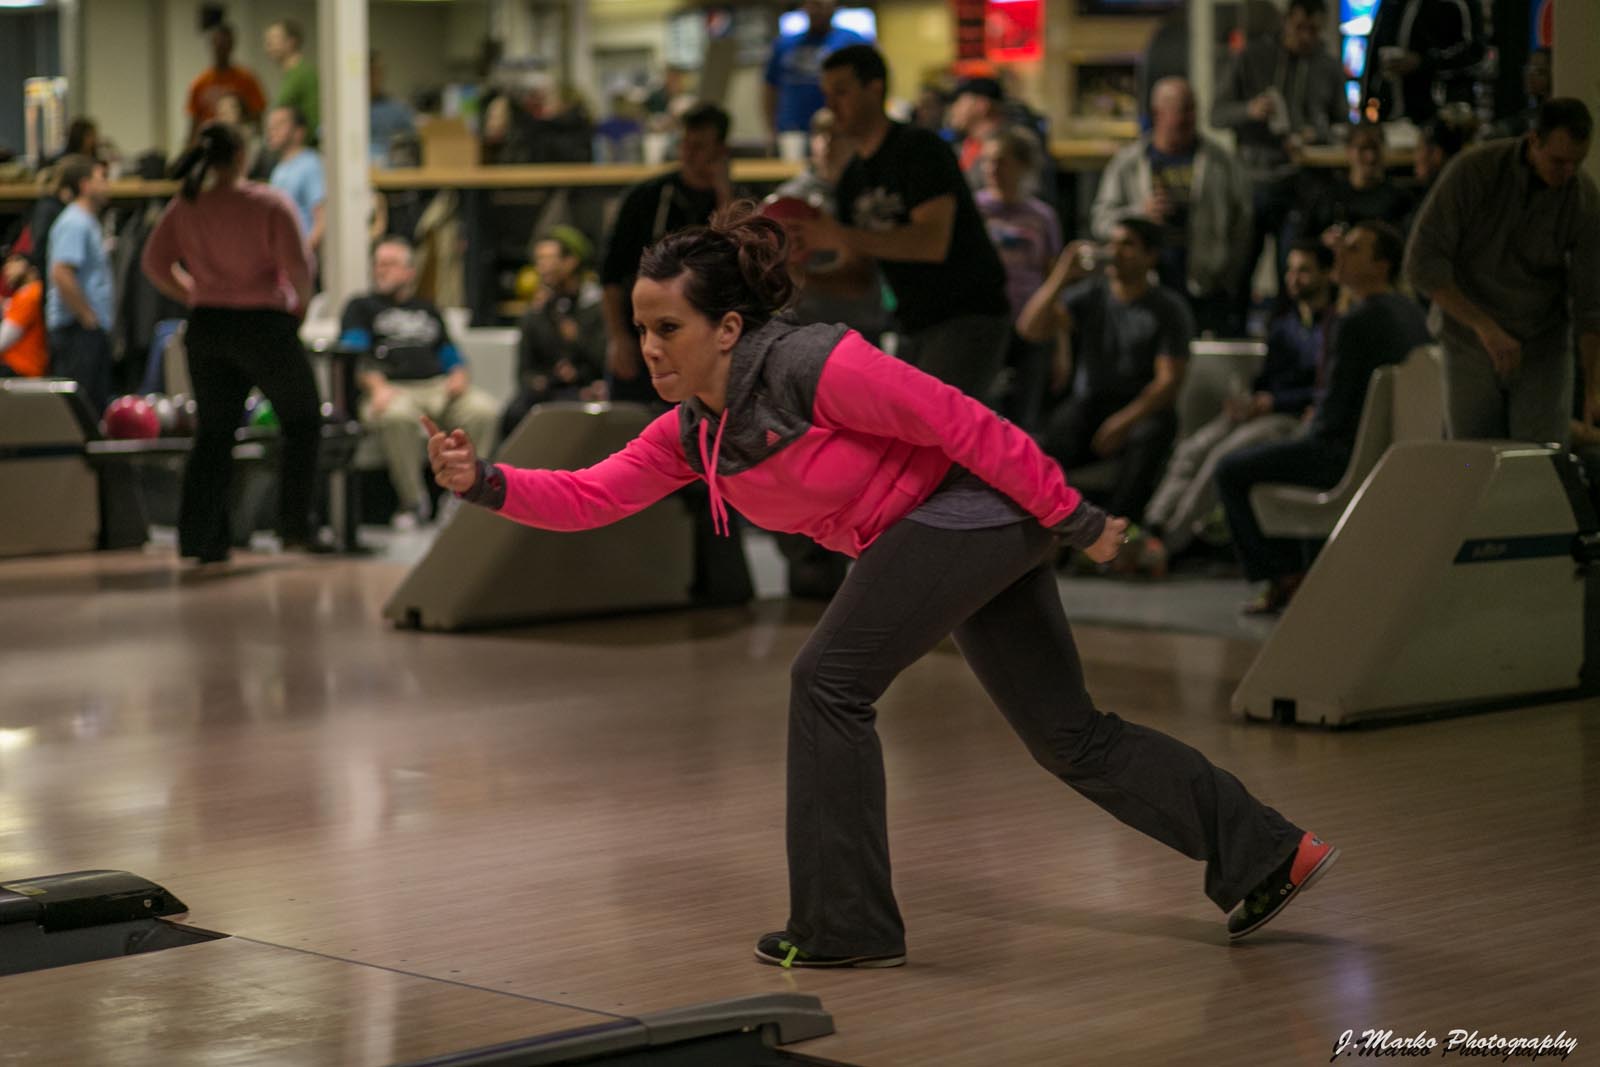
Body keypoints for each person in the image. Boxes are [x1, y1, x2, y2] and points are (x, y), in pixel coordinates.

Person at [423, 204, 1340, 964]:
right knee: (1069, 736)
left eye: (670, 328)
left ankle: (848, 924)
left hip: (972, 510)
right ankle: (1269, 852)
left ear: (728, 328)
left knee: (827, 682)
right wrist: (482, 482)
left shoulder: (812, 363)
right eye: (641, 328)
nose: (649, 347)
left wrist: (1079, 518)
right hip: (953, 531)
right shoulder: (696, 429)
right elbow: (590, 495)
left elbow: (964, 421)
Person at [1217, 220, 1429, 613]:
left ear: (1381, 265)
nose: (1339, 254)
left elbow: (1331, 418)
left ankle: (1281, 576)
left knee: (1229, 470)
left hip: (1341, 454)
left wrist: (1306, 429)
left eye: (1354, 249)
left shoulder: (1356, 321)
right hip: (1392, 451)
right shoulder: (1412, 313)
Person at [139, 122, 322, 564]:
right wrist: (298, 309)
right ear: (242, 154)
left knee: (214, 433)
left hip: (208, 326)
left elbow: (153, 262)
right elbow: (299, 268)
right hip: (263, 324)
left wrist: (192, 292)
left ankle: (202, 538)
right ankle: (294, 527)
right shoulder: (268, 203)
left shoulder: (187, 203)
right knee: (302, 421)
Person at [798, 45, 1011, 401]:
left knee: (935, 425)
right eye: (827, 94)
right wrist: (800, 277)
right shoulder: (852, 178)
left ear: (874, 89)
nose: (830, 105)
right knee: (907, 424)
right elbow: (858, 277)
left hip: (967, 313)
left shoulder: (919, 148)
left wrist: (837, 235)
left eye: (841, 92)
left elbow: (931, 242)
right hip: (915, 322)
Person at [1404, 98, 1600, 447]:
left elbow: (1590, 301)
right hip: (1468, 333)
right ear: (1534, 140)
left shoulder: (1582, 196)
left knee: (1542, 456)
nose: (1568, 172)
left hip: (1542, 339)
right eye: (1558, 161)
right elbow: (1422, 263)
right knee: (1473, 456)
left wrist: (1593, 385)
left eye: (1577, 162)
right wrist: (1484, 327)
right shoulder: (1474, 172)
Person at [1137, 240, 1335, 576]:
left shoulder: (1332, 326)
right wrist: (1248, 399)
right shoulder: (1285, 323)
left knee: (1222, 457)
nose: (1294, 278)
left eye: (1304, 271)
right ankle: (1153, 524)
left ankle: (1168, 543)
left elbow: (1323, 390)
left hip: (1291, 416)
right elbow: (1268, 376)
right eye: (1290, 270)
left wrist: (1274, 401)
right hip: (1262, 407)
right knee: (1193, 448)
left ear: (1326, 274)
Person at [1018, 218, 1193, 524]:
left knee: (1153, 431)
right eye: (1112, 243)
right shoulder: (1091, 295)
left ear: (1150, 256)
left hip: (1140, 408)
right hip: (1091, 404)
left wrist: (1123, 422)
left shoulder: (1168, 308)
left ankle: (1122, 530)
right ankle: (1049, 527)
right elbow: (1029, 328)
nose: (1115, 252)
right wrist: (1062, 274)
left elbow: (1168, 382)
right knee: (1044, 445)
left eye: (1127, 244)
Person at [339, 236, 500, 528]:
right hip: (392, 389)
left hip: (436, 386)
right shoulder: (361, 307)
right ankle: (413, 503)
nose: (381, 270)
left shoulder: (427, 309)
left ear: (409, 272)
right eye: (378, 264)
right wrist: (376, 387)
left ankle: (465, 495)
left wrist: (459, 375)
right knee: (396, 416)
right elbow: (354, 356)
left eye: (390, 264)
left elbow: (450, 354)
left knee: (483, 409)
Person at [1092, 77, 1251, 337]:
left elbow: (1242, 221)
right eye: (1181, 110)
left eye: (1192, 109)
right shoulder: (1128, 163)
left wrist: (1228, 273)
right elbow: (1101, 220)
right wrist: (1140, 214)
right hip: (1146, 285)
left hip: (1205, 285)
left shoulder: (1219, 161)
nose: (1189, 118)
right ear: (1157, 113)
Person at [1211, 0, 1347, 306]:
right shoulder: (1253, 57)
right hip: (1254, 179)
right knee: (1239, 267)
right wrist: (1250, 110)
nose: (1306, 37)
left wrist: (1316, 134)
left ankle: (1286, 325)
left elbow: (1342, 127)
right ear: (1286, 23)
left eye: (1314, 30)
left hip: (1303, 182)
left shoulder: (1328, 66)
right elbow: (1216, 115)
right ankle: (1235, 324)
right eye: (1300, 28)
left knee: (1292, 268)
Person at [601, 102, 736, 404]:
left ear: (721, 150)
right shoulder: (645, 197)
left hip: (707, 348)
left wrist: (724, 192)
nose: (688, 154)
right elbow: (611, 274)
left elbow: (736, 256)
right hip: (641, 341)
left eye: (699, 146)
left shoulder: (736, 200)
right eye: (685, 144)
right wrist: (618, 337)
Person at [976, 126, 1061, 428]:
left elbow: (1053, 278)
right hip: (985, 324)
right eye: (987, 161)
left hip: (1031, 322)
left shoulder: (1042, 216)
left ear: (1022, 165)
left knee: (1023, 418)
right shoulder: (974, 209)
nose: (992, 169)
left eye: (1001, 161)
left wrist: (1061, 346)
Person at [503, 227, 608, 439]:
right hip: (547, 392)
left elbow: (605, 361)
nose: (541, 267)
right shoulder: (536, 313)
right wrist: (544, 380)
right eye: (539, 260)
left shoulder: (597, 308)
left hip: (586, 390)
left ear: (571, 261)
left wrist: (577, 339)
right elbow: (524, 371)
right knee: (513, 414)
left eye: (548, 259)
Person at [46, 155, 115, 415]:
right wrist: (87, 317)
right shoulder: (75, 222)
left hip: (85, 329)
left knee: (92, 408)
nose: (106, 185)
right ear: (85, 185)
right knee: (80, 412)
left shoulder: (85, 221)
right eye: (101, 178)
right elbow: (61, 272)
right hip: (77, 331)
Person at [1361, 0, 1485, 125]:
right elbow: (1373, 51)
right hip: (1389, 115)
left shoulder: (1458, 4)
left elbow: (1475, 53)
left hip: (1439, 117)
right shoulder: (1391, 4)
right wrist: (1366, 111)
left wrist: (1422, 62)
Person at [763, 0, 867, 144]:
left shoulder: (852, 41)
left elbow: (869, 83)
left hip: (839, 130)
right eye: (814, 5)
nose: (819, 11)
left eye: (824, 6)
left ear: (834, 7)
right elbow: (770, 88)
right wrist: (771, 128)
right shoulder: (784, 44)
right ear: (805, 7)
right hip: (792, 131)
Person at [1297, 123, 1414, 244]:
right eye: (1363, 149)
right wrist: (1323, 241)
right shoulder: (1330, 196)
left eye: (1375, 148)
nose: (1370, 157)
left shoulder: (1400, 199)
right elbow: (1303, 240)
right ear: (1348, 151)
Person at [185, 23, 267, 145]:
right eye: (217, 44)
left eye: (225, 44)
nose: (221, 49)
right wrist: (189, 146)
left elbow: (257, 117)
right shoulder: (200, 82)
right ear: (211, 46)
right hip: (210, 142)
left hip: (238, 140)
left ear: (231, 46)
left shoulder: (247, 79)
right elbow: (194, 122)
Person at [266, 106, 325, 253]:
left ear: (299, 132)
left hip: (300, 255)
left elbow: (322, 219)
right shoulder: (278, 169)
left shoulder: (310, 164)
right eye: (271, 125)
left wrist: (304, 255)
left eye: (280, 124)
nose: (273, 130)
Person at [265, 18, 319, 139]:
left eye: (274, 39)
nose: (268, 45)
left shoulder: (305, 73)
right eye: (267, 40)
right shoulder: (289, 75)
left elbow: (314, 118)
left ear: (291, 42)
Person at [0, 251, 48, 378]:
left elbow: (4, 339)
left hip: (21, 368)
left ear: (31, 267)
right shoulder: (34, 291)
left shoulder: (28, 294)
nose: (7, 268)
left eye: (14, 261)